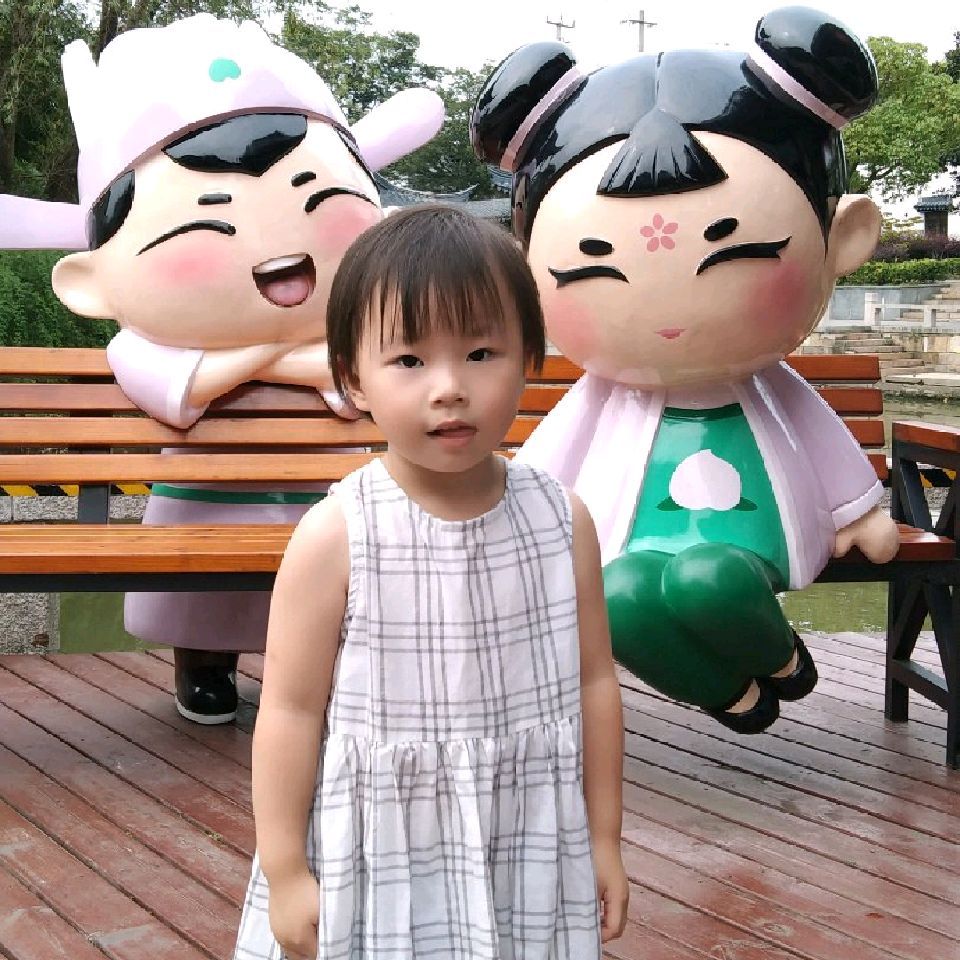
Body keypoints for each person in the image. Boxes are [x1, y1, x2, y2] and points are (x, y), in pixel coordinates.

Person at [0, 14, 443, 724]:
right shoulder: (145, 347)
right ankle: (204, 666)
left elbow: (355, 385)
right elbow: (186, 394)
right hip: (202, 503)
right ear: (92, 282)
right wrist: (279, 355)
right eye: (208, 219)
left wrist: (260, 359)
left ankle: (322, 673)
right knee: (206, 596)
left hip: (326, 500)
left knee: (333, 585)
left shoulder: (359, 333)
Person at [470, 5, 899, 735]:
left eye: (729, 258)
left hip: (755, 530)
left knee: (709, 579)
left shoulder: (768, 389)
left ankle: (784, 661)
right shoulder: (600, 399)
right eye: (597, 266)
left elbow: (818, 435)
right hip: (628, 534)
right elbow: (550, 463)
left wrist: (858, 511)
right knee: (619, 599)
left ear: (843, 238)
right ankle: (737, 695)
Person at [233, 205, 628, 960]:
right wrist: (284, 870)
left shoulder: (560, 520)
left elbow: (593, 683)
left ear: (530, 356)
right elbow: (289, 710)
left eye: (481, 352)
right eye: (409, 360)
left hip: (527, 844)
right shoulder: (338, 534)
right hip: (380, 859)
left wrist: (604, 837)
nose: (449, 388)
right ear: (353, 377)